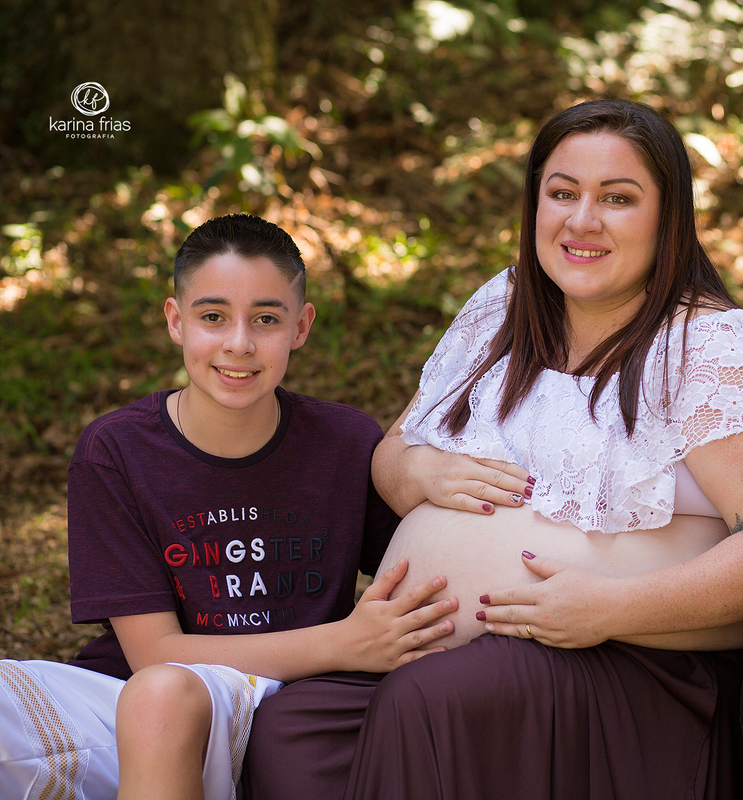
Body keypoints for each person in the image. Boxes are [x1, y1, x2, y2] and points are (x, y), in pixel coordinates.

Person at [242, 98, 743, 799]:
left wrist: (612, 609)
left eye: (618, 198)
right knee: (290, 730)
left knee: (433, 703)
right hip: (454, 654)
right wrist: (422, 468)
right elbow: (395, 455)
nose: (582, 221)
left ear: (668, 218)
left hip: (641, 665)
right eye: (562, 193)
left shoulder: (712, 348)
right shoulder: (506, 309)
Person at [0, 213, 457, 800]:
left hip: (277, 705)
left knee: (165, 692)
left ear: (301, 326)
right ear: (175, 320)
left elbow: (422, 559)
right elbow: (153, 654)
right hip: (124, 709)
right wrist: (342, 640)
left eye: (266, 319)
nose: (239, 343)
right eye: (212, 316)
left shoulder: (345, 445)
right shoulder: (116, 452)